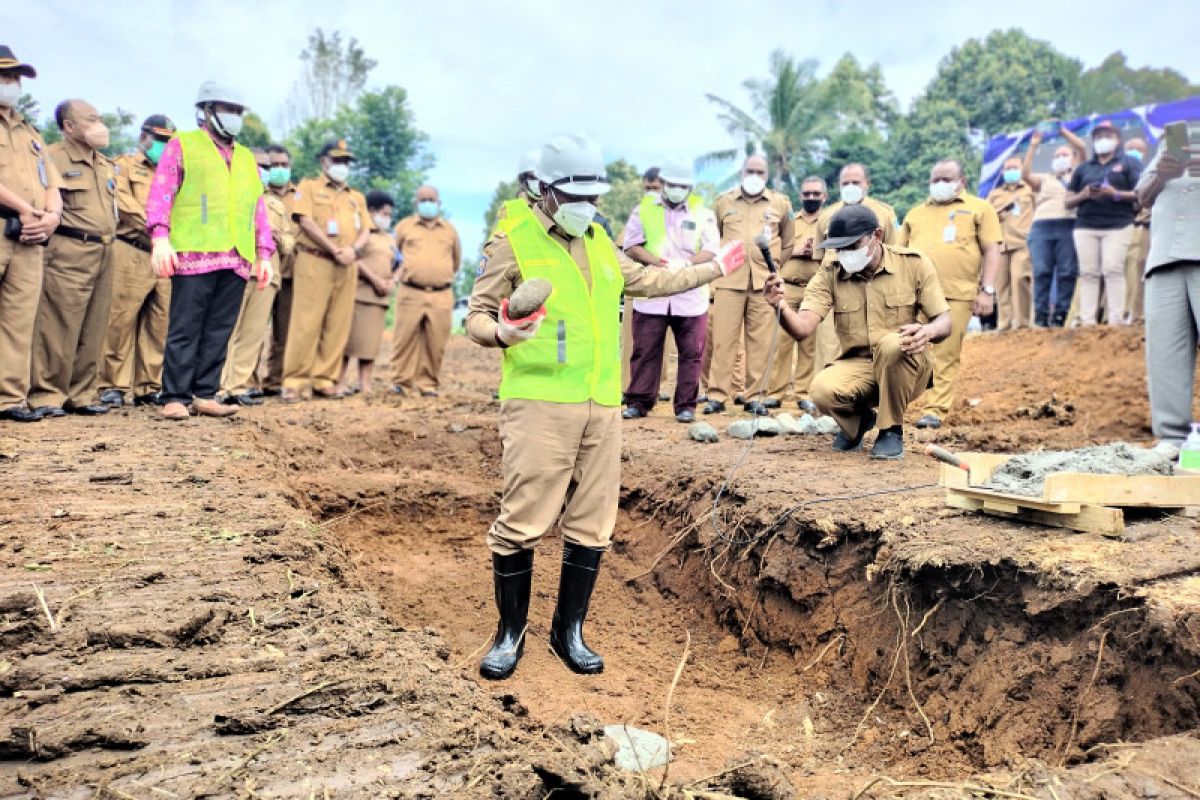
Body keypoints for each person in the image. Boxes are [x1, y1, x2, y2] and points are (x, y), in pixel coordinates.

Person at [466, 133, 746, 680]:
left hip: (601, 405)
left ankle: (567, 632)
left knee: (593, 523)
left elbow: (653, 279)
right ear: (544, 191)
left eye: (594, 196)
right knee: (522, 521)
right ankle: (509, 635)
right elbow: (474, 315)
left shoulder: (599, 240)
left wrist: (716, 267)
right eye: (576, 196)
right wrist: (503, 331)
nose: (587, 206)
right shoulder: (512, 239)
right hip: (540, 402)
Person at [764, 205, 951, 459]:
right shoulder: (830, 273)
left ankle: (891, 430)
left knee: (892, 344)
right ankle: (861, 421)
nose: (845, 254)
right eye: (838, 248)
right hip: (860, 366)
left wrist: (928, 331)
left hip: (907, 363)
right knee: (821, 391)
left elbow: (945, 321)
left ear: (877, 235)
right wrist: (781, 306)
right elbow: (802, 329)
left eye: (852, 246)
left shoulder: (913, 264)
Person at [147, 81, 273, 421]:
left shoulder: (246, 158)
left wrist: (264, 253)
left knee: (220, 328)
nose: (233, 117)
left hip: (237, 255)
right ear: (205, 111)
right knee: (186, 326)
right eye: (226, 109)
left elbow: (257, 206)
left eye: (237, 111)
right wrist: (160, 237)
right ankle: (174, 396)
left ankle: (205, 393)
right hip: (193, 252)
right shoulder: (183, 145)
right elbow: (162, 192)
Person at [28, 99, 117, 418]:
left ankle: (82, 393)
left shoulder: (104, 163)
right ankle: (47, 394)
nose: (100, 126)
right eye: (91, 119)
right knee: (58, 324)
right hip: (69, 249)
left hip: (105, 250)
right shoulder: (51, 157)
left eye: (100, 118)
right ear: (69, 126)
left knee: (95, 324)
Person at [900, 159, 1001, 430]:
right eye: (935, 179)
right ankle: (901, 403)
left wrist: (987, 291)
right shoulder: (915, 214)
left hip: (956, 294)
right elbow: (898, 253)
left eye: (946, 179)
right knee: (907, 349)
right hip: (914, 294)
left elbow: (993, 249)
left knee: (945, 353)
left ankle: (935, 409)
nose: (939, 184)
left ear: (962, 182)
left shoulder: (980, 209)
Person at [620, 155, 718, 423]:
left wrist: (687, 263)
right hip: (653, 291)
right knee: (645, 349)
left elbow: (711, 249)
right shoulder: (644, 209)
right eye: (672, 183)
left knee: (691, 352)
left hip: (690, 294)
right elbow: (631, 245)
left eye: (682, 185)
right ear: (663, 183)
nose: (677, 189)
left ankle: (686, 405)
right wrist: (657, 262)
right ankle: (639, 402)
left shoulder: (703, 213)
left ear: (690, 187)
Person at [0, 46, 61, 423]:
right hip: (12, 220)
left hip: (29, 236)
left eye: (15, 78)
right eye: (5, 77)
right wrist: (25, 209)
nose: (12, 85)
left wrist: (51, 217)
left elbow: (50, 182)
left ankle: (9, 398)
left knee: (19, 320)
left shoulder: (31, 132)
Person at [98, 114, 176, 409]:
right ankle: (112, 385)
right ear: (143, 137)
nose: (162, 146)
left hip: (166, 255)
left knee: (160, 323)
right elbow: (124, 204)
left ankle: (148, 386)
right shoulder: (123, 165)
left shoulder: (174, 173)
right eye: (159, 140)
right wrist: (160, 228)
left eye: (168, 141)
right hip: (132, 248)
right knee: (119, 320)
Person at [707, 155, 794, 416]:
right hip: (729, 281)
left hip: (763, 283)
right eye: (750, 171)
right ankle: (717, 395)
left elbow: (788, 242)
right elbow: (714, 239)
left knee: (761, 342)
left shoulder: (780, 203)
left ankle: (756, 395)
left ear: (766, 175)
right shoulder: (724, 202)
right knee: (723, 340)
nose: (754, 176)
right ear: (741, 172)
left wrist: (774, 267)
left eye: (760, 172)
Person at [281, 138, 366, 402]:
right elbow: (304, 221)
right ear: (324, 161)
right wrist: (333, 248)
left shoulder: (356, 197)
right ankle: (294, 381)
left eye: (346, 161)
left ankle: (324, 378)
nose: (342, 165)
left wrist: (353, 250)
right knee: (305, 322)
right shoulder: (308, 187)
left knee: (337, 323)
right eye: (337, 160)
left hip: (347, 265)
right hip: (315, 260)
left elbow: (366, 230)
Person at [1135, 138, 1200, 458]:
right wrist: (1162, 174)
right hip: (1163, 258)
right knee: (1165, 352)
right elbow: (1141, 197)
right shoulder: (1169, 142)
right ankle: (1173, 438)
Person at [219, 147, 295, 406]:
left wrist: (274, 235)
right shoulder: (230, 195)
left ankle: (237, 387)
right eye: (258, 165)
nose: (263, 171)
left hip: (267, 274)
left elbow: (289, 242)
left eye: (266, 166)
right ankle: (216, 385)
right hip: (235, 270)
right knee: (227, 330)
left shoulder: (274, 204)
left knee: (252, 334)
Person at [1064, 120, 1143, 326]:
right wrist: (1083, 194)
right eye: (1098, 136)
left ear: (1117, 139)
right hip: (1086, 226)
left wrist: (1114, 194)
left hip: (1118, 225)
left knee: (1112, 269)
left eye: (1108, 135)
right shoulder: (1083, 169)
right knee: (1088, 273)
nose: (1103, 140)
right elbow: (1068, 202)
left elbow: (1140, 194)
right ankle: (1087, 321)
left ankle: (1115, 320)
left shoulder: (1129, 163)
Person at [391, 184, 461, 398]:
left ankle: (427, 383)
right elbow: (393, 255)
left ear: (439, 203)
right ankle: (401, 382)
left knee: (436, 341)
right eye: (423, 200)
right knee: (404, 339)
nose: (427, 203)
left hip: (441, 294)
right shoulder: (404, 227)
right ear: (416, 203)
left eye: (431, 199)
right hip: (410, 291)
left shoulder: (450, 230)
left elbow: (456, 261)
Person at [767, 175, 827, 415]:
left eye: (816, 194)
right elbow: (779, 248)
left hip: (816, 287)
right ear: (800, 196)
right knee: (781, 342)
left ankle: (803, 393)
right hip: (789, 285)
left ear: (825, 196)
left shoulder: (828, 222)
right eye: (807, 194)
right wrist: (798, 251)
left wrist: (816, 251)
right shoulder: (791, 220)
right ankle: (775, 393)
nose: (811, 198)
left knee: (809, 345)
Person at [1022, 122, 1087, 327]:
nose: (1060, 158)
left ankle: (1060, 316)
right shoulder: (1045, 179)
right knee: (1041, 272)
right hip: (1041, 227)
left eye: (1064, 154)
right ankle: (1041, 318)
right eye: (1057, 156)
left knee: (1067, 272)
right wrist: (1033, 146)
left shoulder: (1079, 174)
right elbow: (1025, 175)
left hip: (1068, 225)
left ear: (1072, 159)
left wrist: (1062, 131)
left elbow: (1083, 148)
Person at [338, 190, 398, 394]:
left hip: (379, 299)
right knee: (346, 341)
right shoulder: (361, 234)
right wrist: (374, 279)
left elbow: (401, 263)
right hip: (357, 293)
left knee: (370, 345)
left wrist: (393, 281)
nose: (387, 218)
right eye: (384, 213)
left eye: (390, 215)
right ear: (371, 211)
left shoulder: (390, 239)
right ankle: (340, 381)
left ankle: (365, 383)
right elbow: (353, 258)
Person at [258, 144, 297, 397]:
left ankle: (274, 381)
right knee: (253, 330)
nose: (279, 170)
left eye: (284, 165)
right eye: (273, 166)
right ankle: (246, 383)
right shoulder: (256, 194)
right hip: (259, 272)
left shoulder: (301, 197)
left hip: (290, 274)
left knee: (284, 332)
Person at [985, 156, 1035, 330]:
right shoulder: (995, 194)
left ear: (1021, 169)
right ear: (1003, 172)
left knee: (1020, 279)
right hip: (999, 246)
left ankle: (1023, 324)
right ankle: (1004, 325)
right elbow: (985, 217)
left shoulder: (1029, 191)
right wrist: (996, 213)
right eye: (1007, 168)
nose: (1011, 171)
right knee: (1001, 286)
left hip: (1022, 243)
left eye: (1014, 167)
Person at [1123, 137, 1150, 324]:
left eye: (1137, 148)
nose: (1133, 151)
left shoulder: (1149, 172)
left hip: (1144, 227)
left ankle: (1135, 315)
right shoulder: (1115, 173)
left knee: (1138, 270)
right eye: (1130, 147)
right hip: (1120, 227)